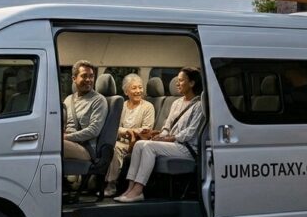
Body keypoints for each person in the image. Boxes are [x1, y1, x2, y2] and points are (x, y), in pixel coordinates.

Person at [115, 67, 204, 203]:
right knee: (139, 144)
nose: (177, 83)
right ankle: (129, 189)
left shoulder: (199, 105)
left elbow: (190, 132)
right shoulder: (176, 103)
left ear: (191, 83)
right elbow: (167, 126)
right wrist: (161, 136)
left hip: (187, 148)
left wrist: (169, 138)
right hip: (173, 145)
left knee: (150, 147)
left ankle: (139, 190)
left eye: (180, 80)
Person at [104, 73, 155, 197]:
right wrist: (125, 131)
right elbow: (115, 128)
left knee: (115, 147)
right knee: (108, 145)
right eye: (134, 88)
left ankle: (111, 183)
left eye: (140, 87)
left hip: (137, 143)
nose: (138, 91)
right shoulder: (121, 106)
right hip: (121, 140)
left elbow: (146, 130)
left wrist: (130, 132)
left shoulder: (148, 107)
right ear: (126, 92)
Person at [63, 60, 107, 163]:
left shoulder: (99, 100)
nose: (88, 79)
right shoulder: (68, 99)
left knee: (52, 144)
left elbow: (93, 130)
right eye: (84, 76)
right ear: (74, 78)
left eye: (91, 76)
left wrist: (66, 137)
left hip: (85, 148)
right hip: (68, 142)